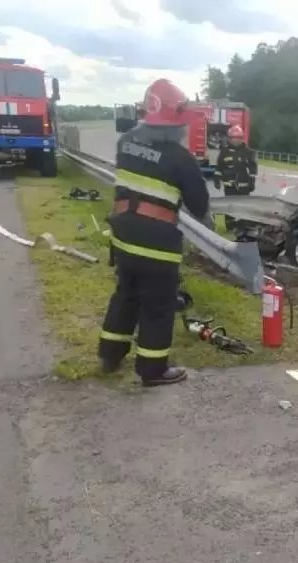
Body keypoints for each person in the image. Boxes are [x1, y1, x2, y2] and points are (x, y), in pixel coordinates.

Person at [98, 79, 210, 387]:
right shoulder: (179, 157)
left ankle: (110, 354)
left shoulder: (126, 143)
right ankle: (152, 369)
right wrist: (192, 172)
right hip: (157, 245)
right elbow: (199, 206)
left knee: (126, 295)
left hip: (123, 236)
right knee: (158, 306)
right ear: (177, 121)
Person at [214, 124, 257, 230]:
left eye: (239, 138)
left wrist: (252, 182)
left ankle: (243, 227)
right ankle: (230, 226)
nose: (236, 140)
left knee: (243, 207)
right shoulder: (224, 151)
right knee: (230, 206)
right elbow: (219, 167)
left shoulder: (249, 152)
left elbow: (253, 169)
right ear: (229, 138)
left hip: (244, 186)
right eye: (234, 138)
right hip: (229, 186)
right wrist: (217, 179)